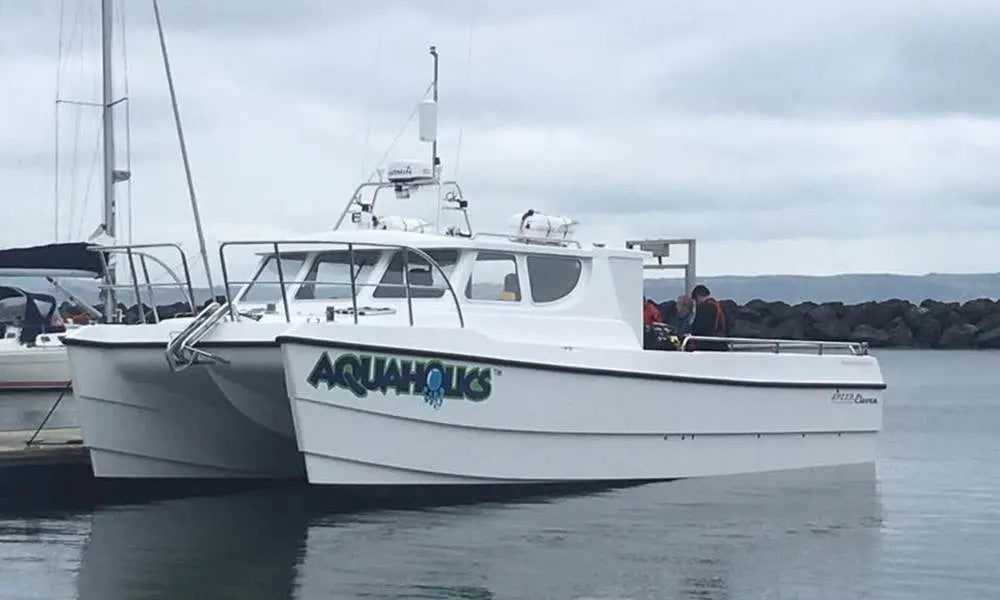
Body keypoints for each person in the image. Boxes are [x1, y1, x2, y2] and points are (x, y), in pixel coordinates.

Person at [685, 284, 728, 351]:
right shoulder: (720, 306)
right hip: (721, 343)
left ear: (698, 297)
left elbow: (698, 328)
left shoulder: (704, 307)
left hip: (707, 344)